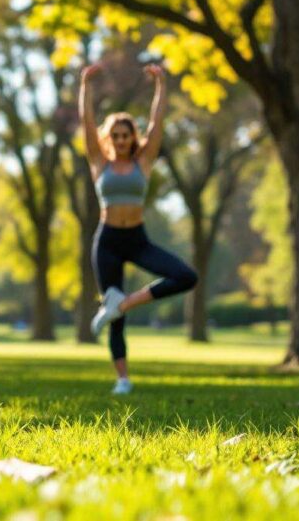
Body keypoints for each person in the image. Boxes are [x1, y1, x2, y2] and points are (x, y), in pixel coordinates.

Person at [79, 62, 198, 395]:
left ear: (133, 137)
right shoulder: (98, 162)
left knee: (186, 276)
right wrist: (85, 88)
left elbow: (158, 122)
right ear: (109, 138)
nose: (119, 140)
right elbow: (87, 124)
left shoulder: (142, 162)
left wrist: (161, 86)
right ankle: (123, 379)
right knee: (115, 318)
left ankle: (124, 302)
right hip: (107, 242)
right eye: (114, 135)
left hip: (137, 239)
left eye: (125, 135)